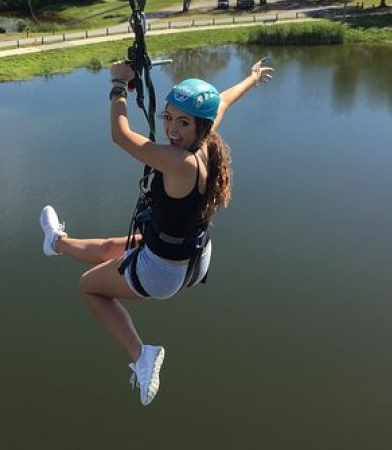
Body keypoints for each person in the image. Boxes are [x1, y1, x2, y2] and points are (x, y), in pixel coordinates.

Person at [39, 57, 273, 406]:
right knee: (108, 248)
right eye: (168, 118)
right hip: (190, 255)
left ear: (202, 127)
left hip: (161, 271)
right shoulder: (205, 144)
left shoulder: (179, 162)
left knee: (88, 287)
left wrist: (118, 83)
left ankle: (141, 355)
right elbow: (223, 100)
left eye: (183, 123)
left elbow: (120, 135)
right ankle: (56, 242)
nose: (172, 130)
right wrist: (251, 79)